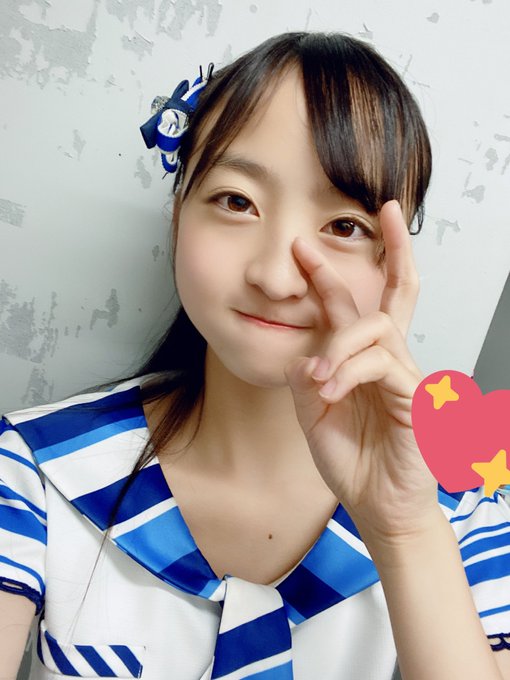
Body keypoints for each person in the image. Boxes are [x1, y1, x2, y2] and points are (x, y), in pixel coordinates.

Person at [1, 31, 509, 680]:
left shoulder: (467, 514)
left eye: (344, 226)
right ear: (178, 216)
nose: (275, 275)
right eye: (237, 201)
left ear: (394, 264)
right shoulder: (33, 473)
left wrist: (406, 531)